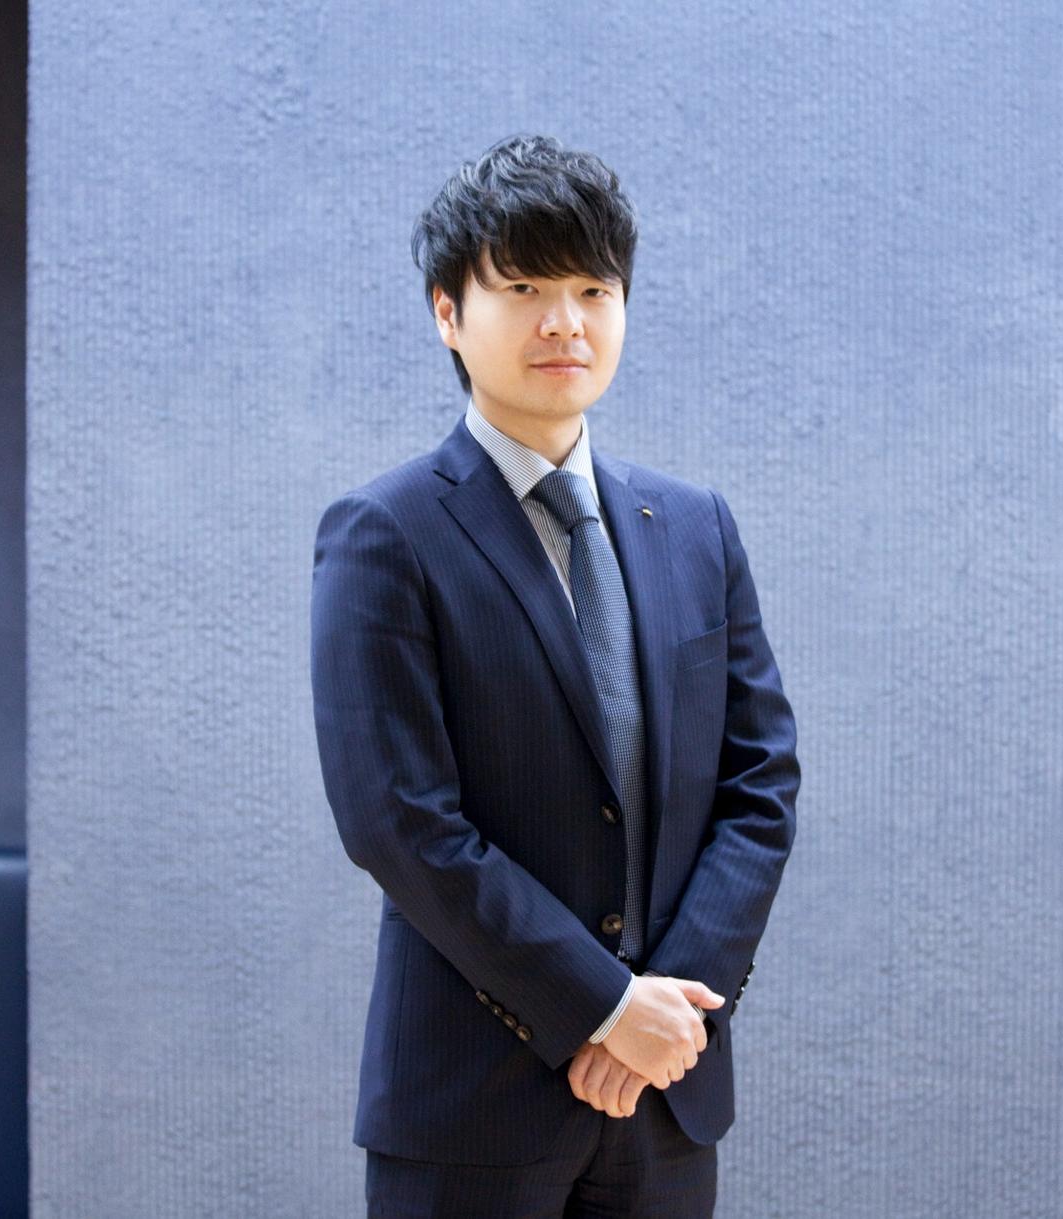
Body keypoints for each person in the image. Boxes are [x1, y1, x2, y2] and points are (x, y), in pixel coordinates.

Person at [310, 133, 800, 1217]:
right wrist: (599, 1005)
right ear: (448, 311)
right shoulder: (384, 532)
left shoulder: (695, 526)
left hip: (666, 1096)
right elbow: (398, 819)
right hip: (471, 1109)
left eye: (592, 289)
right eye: (524, 288)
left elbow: (760, 782)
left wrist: (665, 1013)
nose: (565, 321)